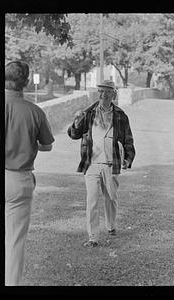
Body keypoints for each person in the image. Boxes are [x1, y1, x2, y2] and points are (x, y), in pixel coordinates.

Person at [67, 79, 135, 247]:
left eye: (107, 92)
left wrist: (128, 158)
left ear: (113, 94)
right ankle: (93, 237)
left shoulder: (120, 115)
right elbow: (74, 134)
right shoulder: (89, 113)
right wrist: (76, 123)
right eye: (101, 92)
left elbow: (128, 140)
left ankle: (111, 226)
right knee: (92, 200)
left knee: (111, 197)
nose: (103, 95)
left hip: (111, 163)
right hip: (91, 163)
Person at [5, 61, 55, 285]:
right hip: (18, 179)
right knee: (14, 241)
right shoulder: (34, 111)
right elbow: (47, 146)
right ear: (25, 83)